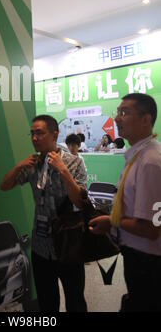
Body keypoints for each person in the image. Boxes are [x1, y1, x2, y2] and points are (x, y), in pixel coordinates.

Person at [0, 115, 87, 312]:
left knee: (75, 301)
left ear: (54, 134)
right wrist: (20, 166)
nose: (34, 138)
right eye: (32, 133)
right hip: (41, 247)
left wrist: (63, 171)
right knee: (47, 304)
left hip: (69, 245)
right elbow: (4, 186)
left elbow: (80, 202)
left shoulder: (74, 163)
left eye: (39, 133)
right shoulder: (33, 164)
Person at [89, 93, 161, 311]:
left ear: (146, 119)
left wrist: (111, 221)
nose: (117, 119)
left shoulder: (150, 162)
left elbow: (151, 228)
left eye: (124, 112)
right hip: (138, 258)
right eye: (117, 113)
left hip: (148, 262)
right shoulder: (139, 156)